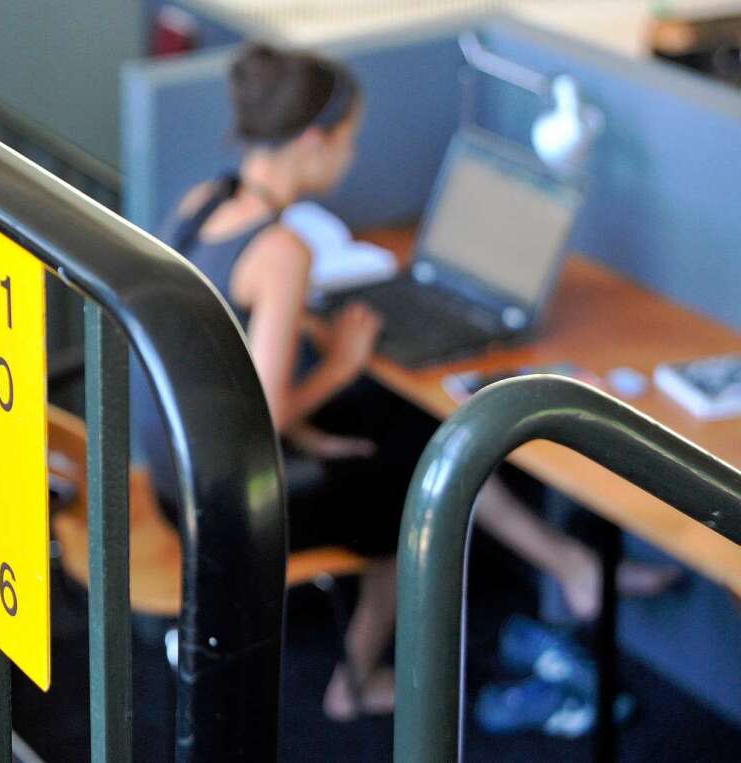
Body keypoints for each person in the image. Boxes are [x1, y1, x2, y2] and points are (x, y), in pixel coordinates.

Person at [132, 43, 678, 722]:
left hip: (172, 470)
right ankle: (356, 681)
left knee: (412, 430)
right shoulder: (283, 251)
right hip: (226, 505)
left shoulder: (204, 202)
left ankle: (570, 567)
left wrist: (314, 395)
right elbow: (264, 411)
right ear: (311, 141)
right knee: (415, 481)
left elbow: (212, 355)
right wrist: (341, 364)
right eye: (349, 141)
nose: (352, 158)